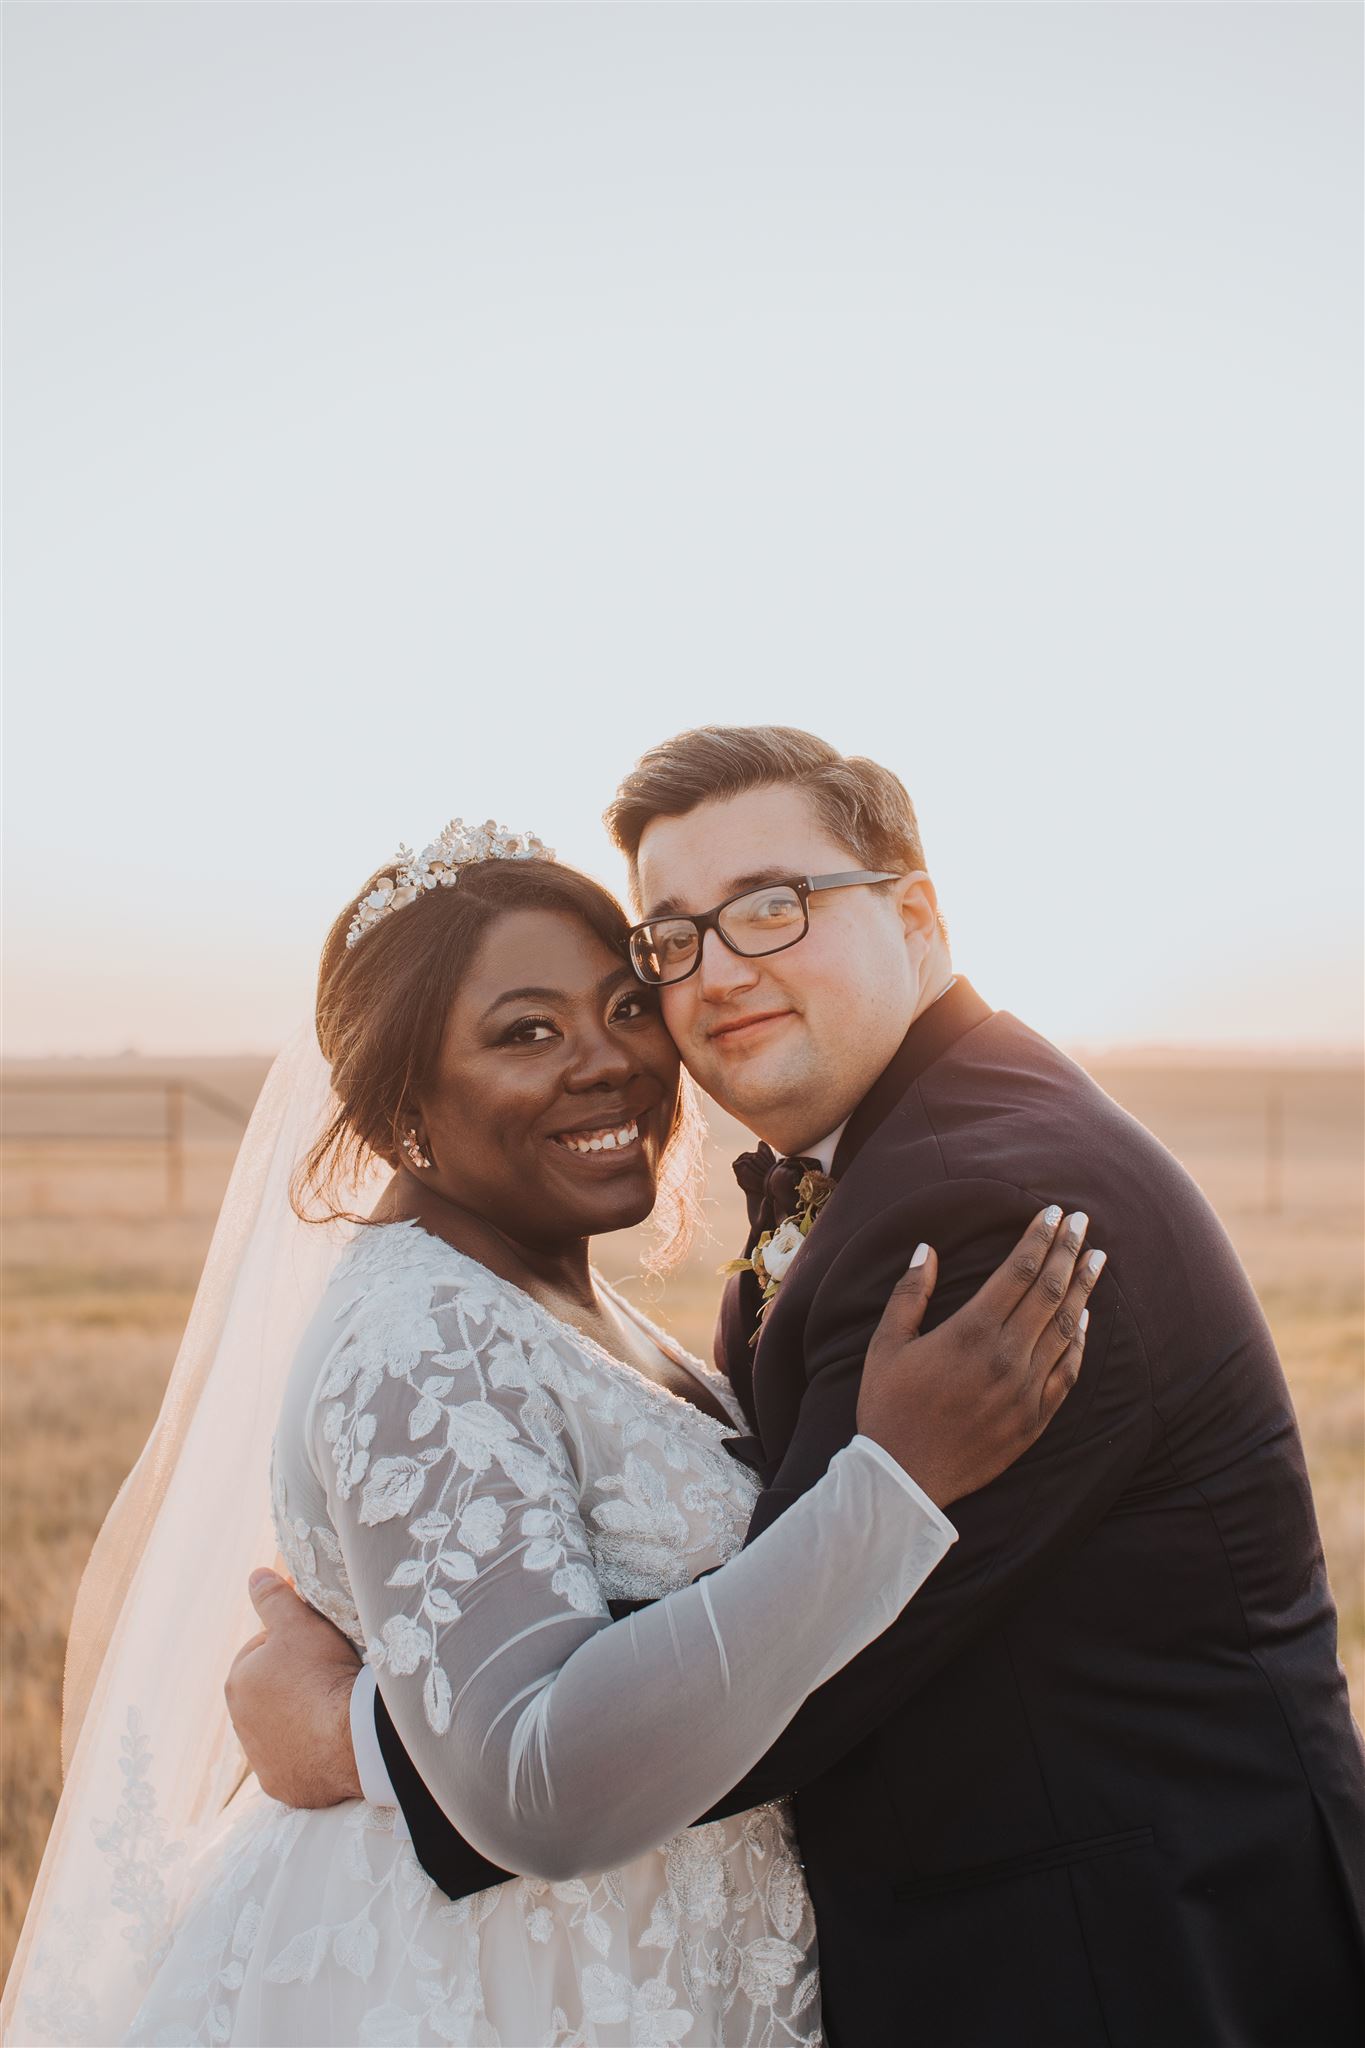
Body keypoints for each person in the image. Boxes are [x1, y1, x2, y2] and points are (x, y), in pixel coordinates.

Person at [240, 731, 1365, 2047]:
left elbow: (816, 1672)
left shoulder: (982, 1209)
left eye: (774, 908)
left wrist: (359, 1735)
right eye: (674, 937)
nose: (720, 973)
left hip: (1121, 1962)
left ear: (918, 915)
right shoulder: (886, 1169)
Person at [3, 818, 1097, 2048]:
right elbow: (531, 1770)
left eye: (629, 1007)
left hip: (651, 1961)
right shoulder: (419, 1340)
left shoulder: (546, 1291)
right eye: (526, 1031)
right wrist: (892, 1481)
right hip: (498, 1984)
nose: (611, 1062)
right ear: (400, 1097)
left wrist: (356, 1727)